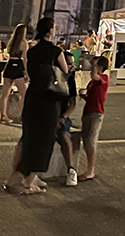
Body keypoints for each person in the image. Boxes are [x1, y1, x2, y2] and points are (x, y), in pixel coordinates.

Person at [18, 17, 68, 194]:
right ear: (51, 31)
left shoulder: (32, 51)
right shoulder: (55, 51)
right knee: (45, 139)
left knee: (30, 136)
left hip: (33, 96)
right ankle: (28, 183)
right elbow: (65, 73)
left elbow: (29, 71)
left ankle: (24, 176)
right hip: (48, 99)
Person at [78, 55, 110, 181]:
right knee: (86, 141)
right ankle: (89, 168)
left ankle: (90, 170)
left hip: (97, 113)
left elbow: (94, 76)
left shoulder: (104, 78)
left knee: (91, 141)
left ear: (100, 68)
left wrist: (93, 67)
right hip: (88, 111)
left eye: (94, 65)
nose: (92, 67)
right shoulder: (93, 82)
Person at [56, 51, 79, 187]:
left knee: (64, 136)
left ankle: (71, 170)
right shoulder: (52, 76)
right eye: (69, 64)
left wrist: (63, 116)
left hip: (63, 114)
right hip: (49, 114)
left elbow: (73, 103)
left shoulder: (70, 79)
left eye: (72, 64)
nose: (72, 67)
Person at [0, 24, 29, 125]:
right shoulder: (23, 43)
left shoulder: (11, 42)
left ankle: (3, 115)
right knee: (24, 93)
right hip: (18, 67)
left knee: (5, 94)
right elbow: (25, 59)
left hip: (9, 65)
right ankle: (22, 115)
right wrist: (27, 73)